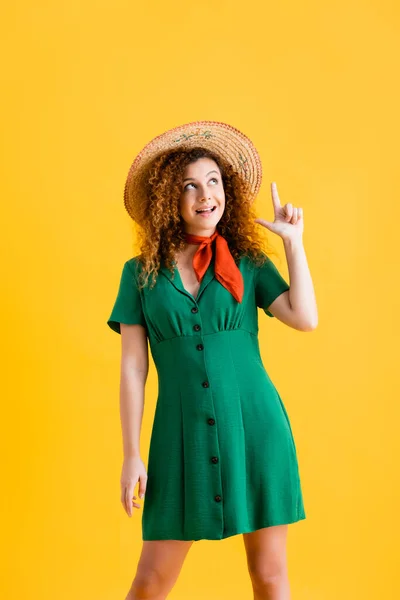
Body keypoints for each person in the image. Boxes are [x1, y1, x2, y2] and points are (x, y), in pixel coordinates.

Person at [107, 120, 318, 600]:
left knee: (269, 577)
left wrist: (293, 243)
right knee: (151, 581)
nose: (205, 195)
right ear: (169, 200)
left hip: (256, 430)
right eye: (189, 186)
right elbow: (133, 369)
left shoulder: (247, 261)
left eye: (213, 182)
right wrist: (132, 454)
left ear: (227, 192)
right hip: (179, 437)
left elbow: (304, 318)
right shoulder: (139, 275)